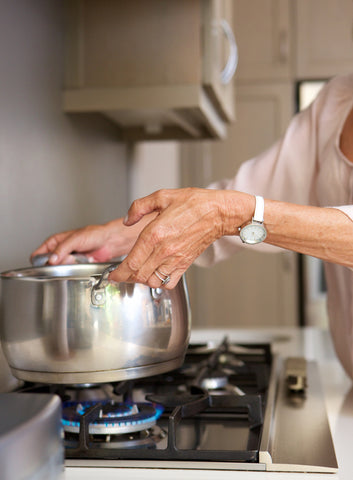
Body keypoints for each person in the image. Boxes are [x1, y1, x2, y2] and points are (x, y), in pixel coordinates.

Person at [32, 73, 353, 379]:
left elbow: (238, 213)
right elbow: (259, 192)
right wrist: (120, 236)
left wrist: (227, 215)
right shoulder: (337, 98)